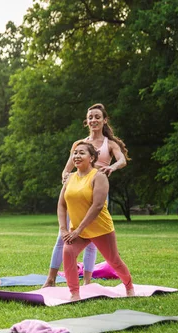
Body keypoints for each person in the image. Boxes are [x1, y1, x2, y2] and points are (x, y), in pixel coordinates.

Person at [43, 103, 130, 287]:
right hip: (77, 195)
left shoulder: (109, 144)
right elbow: (66, 170)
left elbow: (122, 160)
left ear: (104, 120)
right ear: (86, 121)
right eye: (90, 117)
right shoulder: (80, 145)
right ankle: (50, 279)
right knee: (63, 236)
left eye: (97, 117)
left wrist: (112, 166)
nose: (94, 120)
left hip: (96, 195)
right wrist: (67, 180)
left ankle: (88, 282)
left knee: (92, 241)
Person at [58, 142, 134, 301]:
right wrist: (64, 229)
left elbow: (98, 205)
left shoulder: (99, 176)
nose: (77, 156)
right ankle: (74, 294)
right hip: (78, 230)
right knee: (68, 252)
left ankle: (129, 286)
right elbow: (61, 204)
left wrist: (78, 230)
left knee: (114, 261)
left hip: (100, 229)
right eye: (75, 153)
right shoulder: (70, 178)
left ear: (92, 157)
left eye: (81, 153)